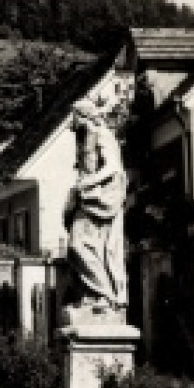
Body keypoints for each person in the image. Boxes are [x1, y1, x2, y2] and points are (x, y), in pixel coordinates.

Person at [64, 100, 128, 311]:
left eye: (74, 115)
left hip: (100, 199)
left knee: (78, 246)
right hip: (87, 197)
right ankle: (92, 294)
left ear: (83, 115)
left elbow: (113, 168)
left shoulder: (102, 134)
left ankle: (105, 294)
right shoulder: (85, 136)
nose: (72, 121)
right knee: (77, 249)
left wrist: (88, 182)